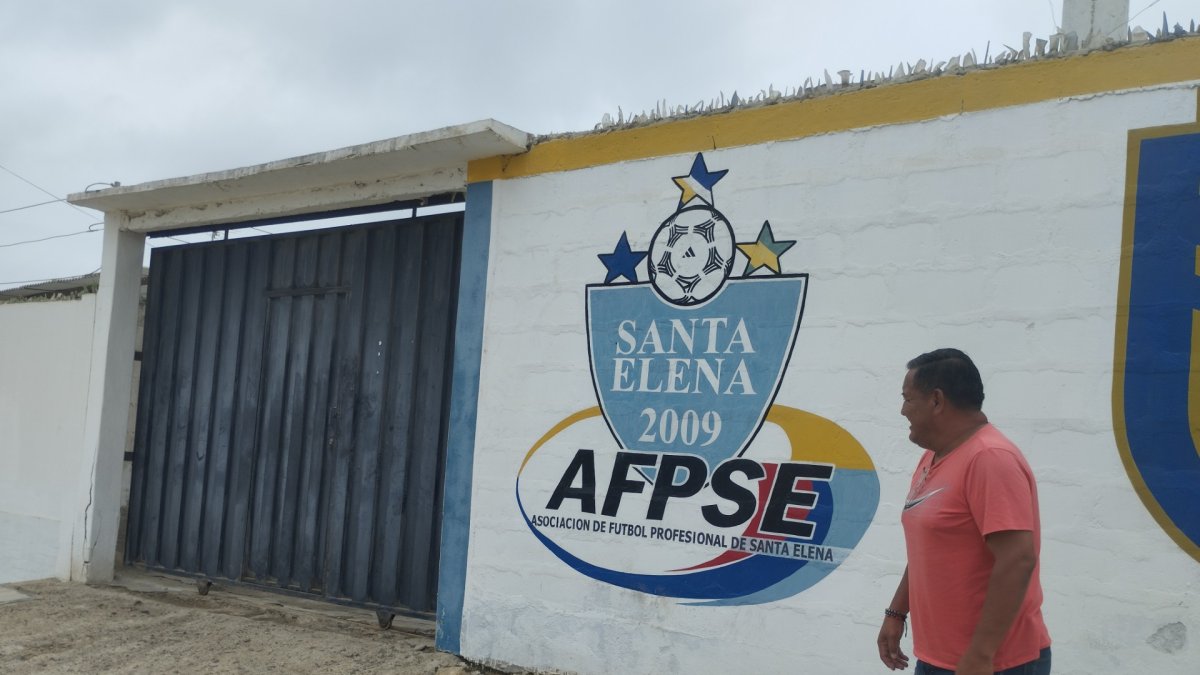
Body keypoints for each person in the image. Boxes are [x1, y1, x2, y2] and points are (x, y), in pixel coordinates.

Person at [876, 348, 1051, 674]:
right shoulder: (934, 457)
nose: (902, 410)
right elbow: (930, 547)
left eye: (908, 399)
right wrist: (897, 611)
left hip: (993, 663)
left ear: (937, 401)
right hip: (939, 657)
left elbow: (1018, 559)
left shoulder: (990, 458)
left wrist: (981, 655)